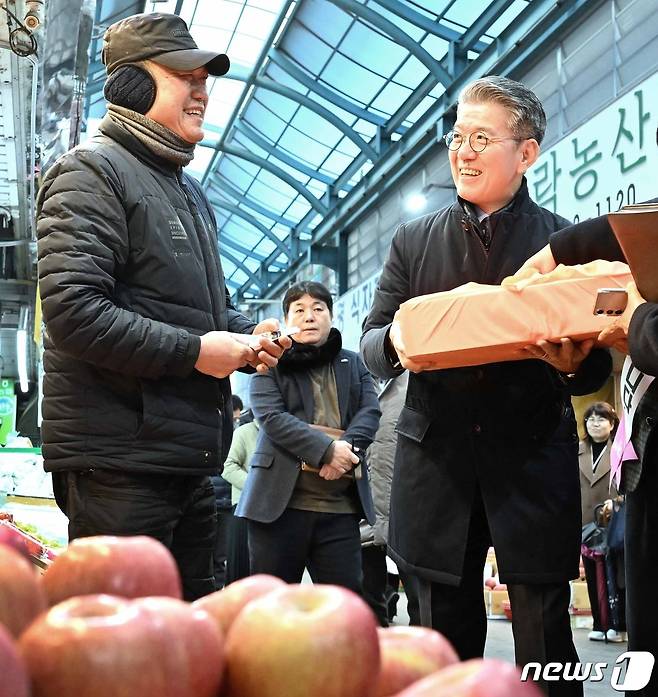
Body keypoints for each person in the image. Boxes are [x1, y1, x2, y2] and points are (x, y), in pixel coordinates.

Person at [360, 75, 611, 696]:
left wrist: (571, 361)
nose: (462, 151)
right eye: (455, 137)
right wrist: (402, 341)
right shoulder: (414, 241)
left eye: (480, 138)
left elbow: (598, 364)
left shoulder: (561, 242)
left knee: (546, 632)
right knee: (441, 632)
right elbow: (371, 344)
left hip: (530, 454)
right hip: (436, 456)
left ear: (526, 153)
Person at [36, 12, 291, 601]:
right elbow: (74, 311)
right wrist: (198, 352)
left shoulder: (185, 191)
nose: (203, 90)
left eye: (207, 78)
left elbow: (205, 313)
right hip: (121, 466)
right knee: (122, 655)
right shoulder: (89, 172)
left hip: (187, 460)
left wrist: (248, 338)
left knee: (186, 644)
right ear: (132, 85)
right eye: (185, 75)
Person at [521, 183, 658, 696]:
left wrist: (638, 319)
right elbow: (632, 228)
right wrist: (559, 251)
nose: (464, 152)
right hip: (646, 456)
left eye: (481, 138)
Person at [237, 281, 380, 594]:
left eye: (318, 308)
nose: (309, 316)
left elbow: (370, 411)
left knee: (345, 607)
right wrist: (326, 450)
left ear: (331, 315)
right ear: (287, 320)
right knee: (271, 607)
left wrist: (345, 455)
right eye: (299, 310)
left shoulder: (353, 362)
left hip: (340, 509)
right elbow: (271, 417)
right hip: (279, 507)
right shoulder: (270, 363)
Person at [578, 401, 626, 642]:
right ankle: (599, 622)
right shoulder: (576, 450)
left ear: (612, 423)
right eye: (591, 419)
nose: (595, 423)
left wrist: (617, 501)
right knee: (593, 576)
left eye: (601, 419)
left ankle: (619, 626)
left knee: (616, 576)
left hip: (614, 524)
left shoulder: (620, 449)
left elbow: (628, 484)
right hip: (586, 525)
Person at [221, 414, 260, 584]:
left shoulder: (284, 435)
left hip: (278, 511)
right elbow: (227, 467)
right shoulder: (244, 432)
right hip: (245, 509)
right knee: (240, 571)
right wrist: (257, 488)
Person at [210, 394, 243, 590]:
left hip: (221, 503)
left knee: (217, 556)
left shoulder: (231, 433)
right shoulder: (229, 433)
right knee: (218, 556)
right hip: (219, 502)